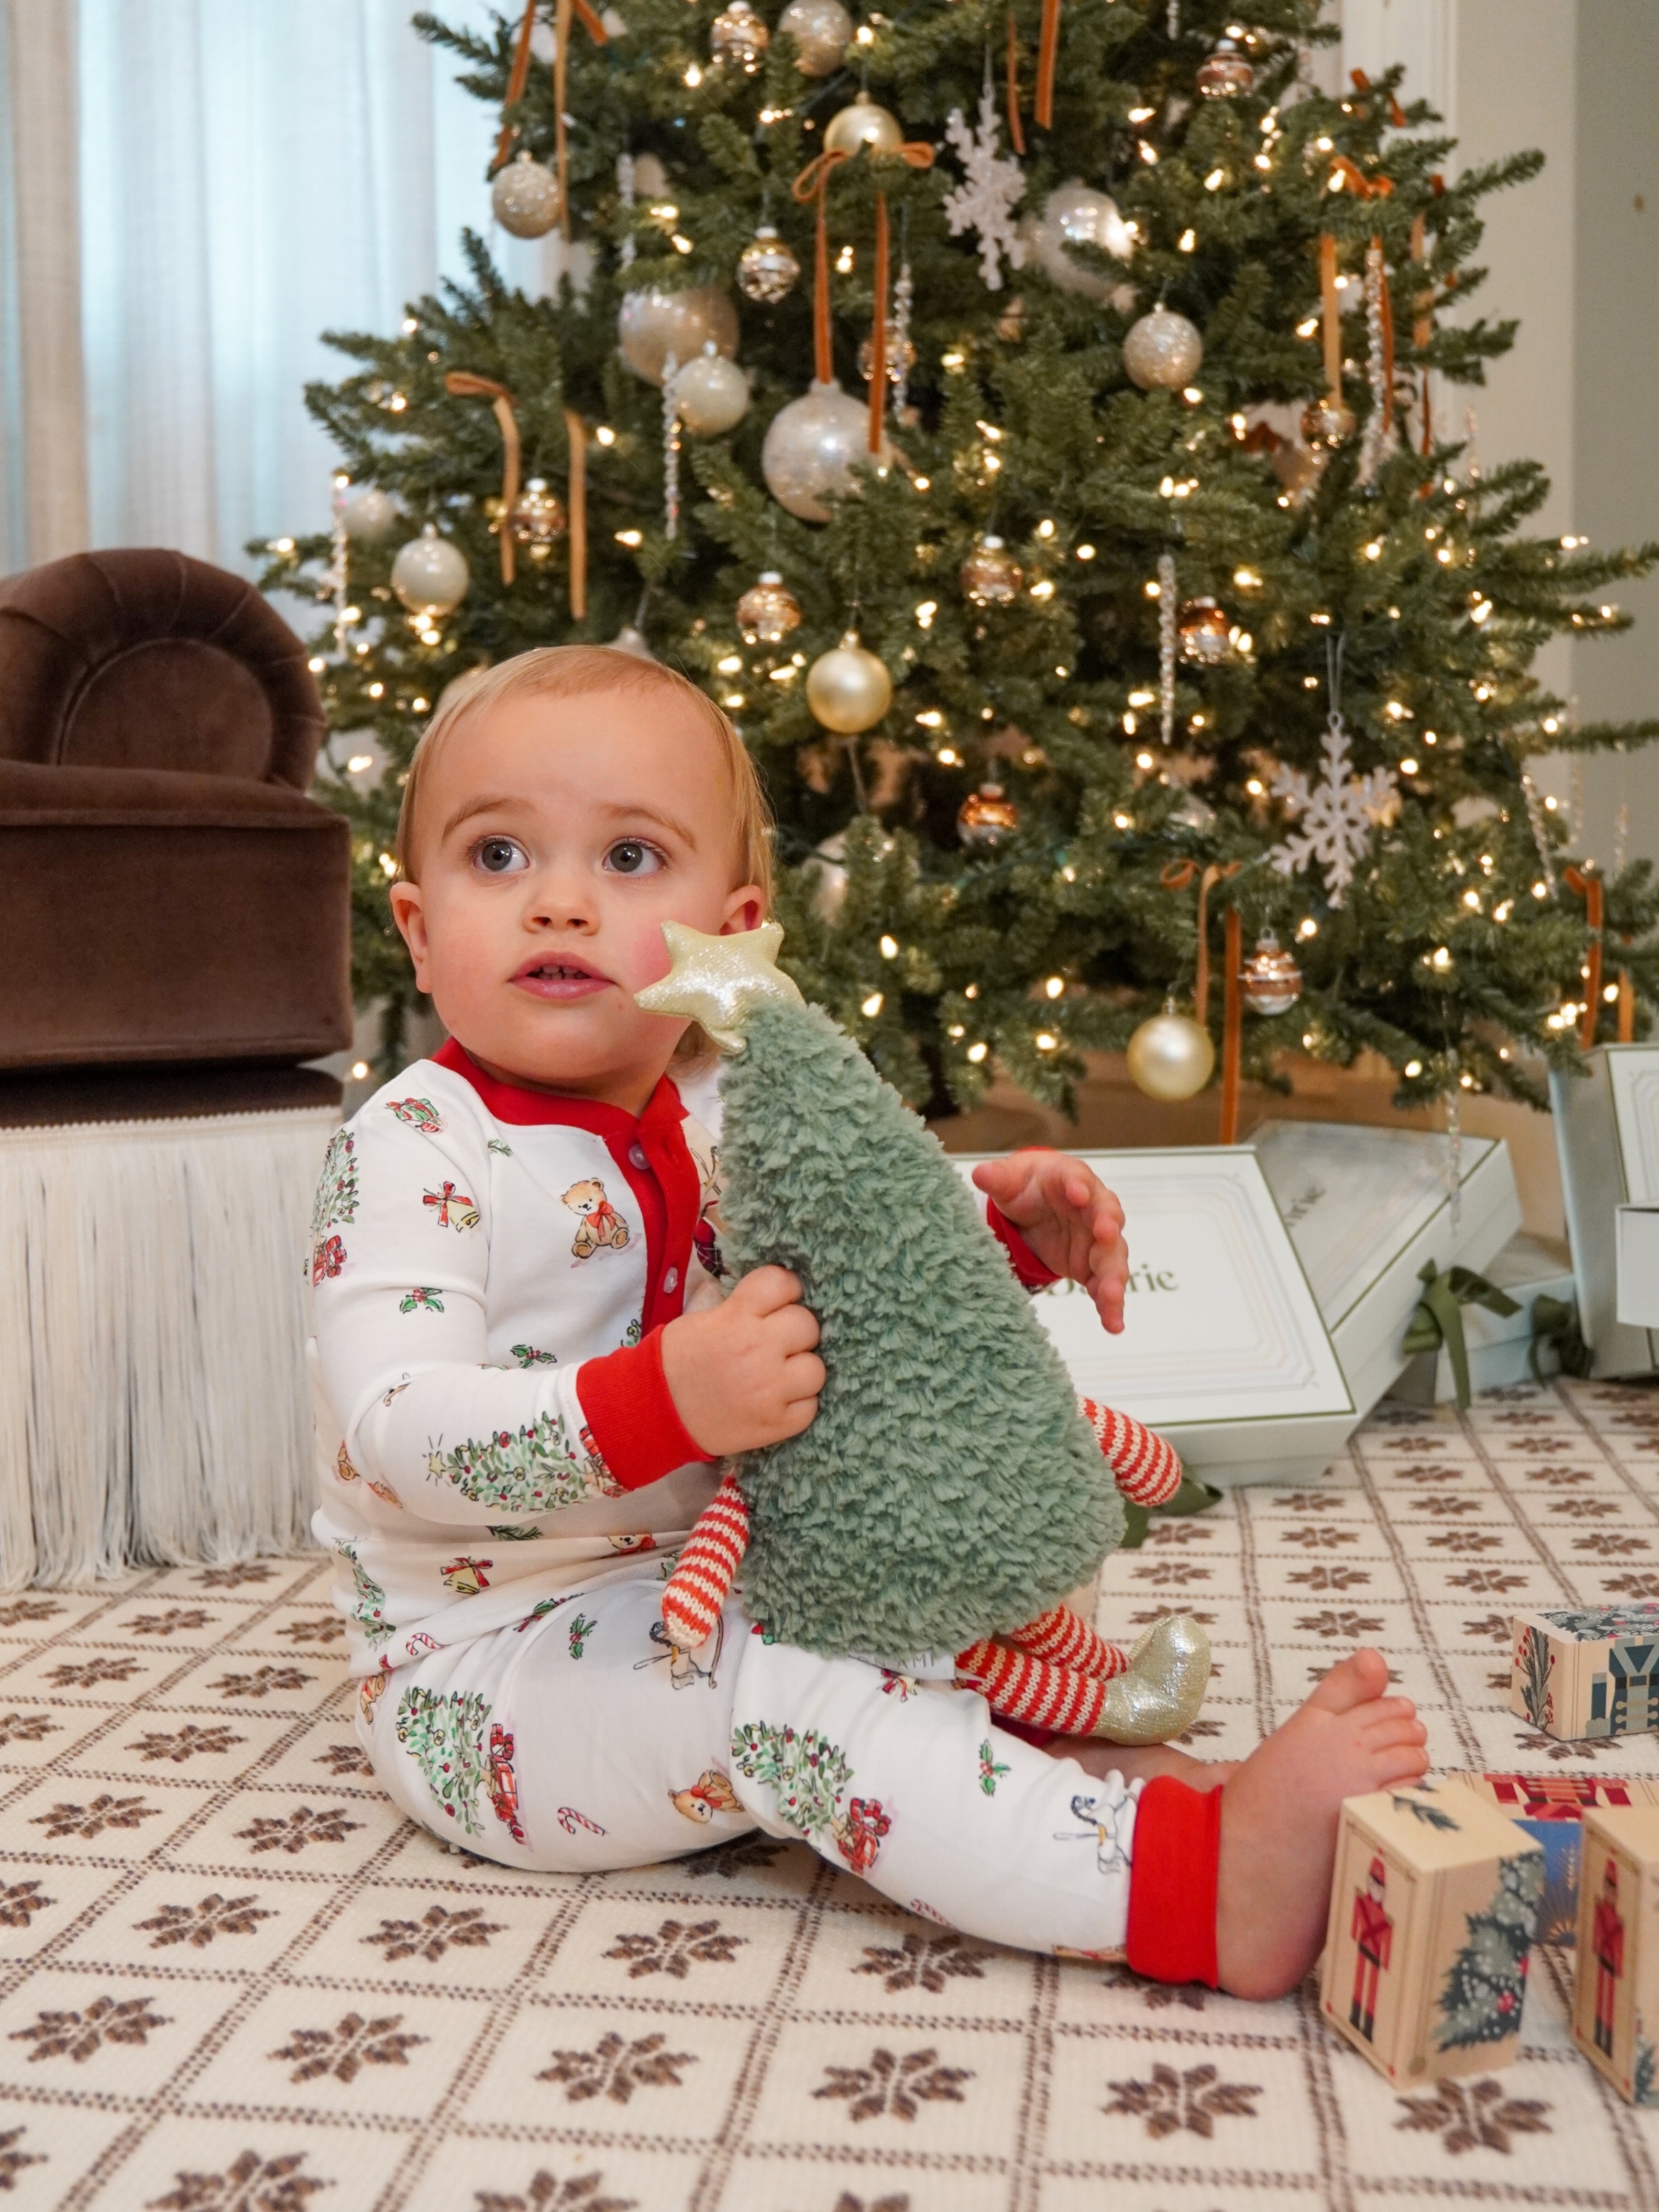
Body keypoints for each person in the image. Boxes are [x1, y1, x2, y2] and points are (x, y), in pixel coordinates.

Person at [308, 646, 1429, 1997]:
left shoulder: (731, 1104)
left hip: (741, 1563)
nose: (557, 901)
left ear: (732, 931)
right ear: (418, 927)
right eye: (497, 857)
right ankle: (1190, 1893)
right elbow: (398, 1431)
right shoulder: (414, 1146)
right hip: (494, 1668)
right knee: (796, 1698)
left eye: (628, 857)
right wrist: (666, 1399)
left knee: (964, 1539)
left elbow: (860, 1273)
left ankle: (1104, 1778)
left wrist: (1005, 1244)